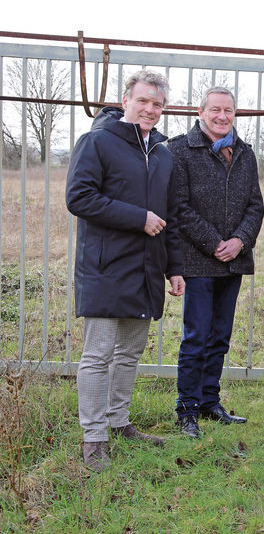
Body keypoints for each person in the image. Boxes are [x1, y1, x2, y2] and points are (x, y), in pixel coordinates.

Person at [66, 70, 184, 472]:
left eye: (157, 104)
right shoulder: (97, 142)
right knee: (98, 355)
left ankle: (118, 422)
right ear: (125, 100)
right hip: (105, 266)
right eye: (143, 101)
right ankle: (93, 438)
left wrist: (174, 269)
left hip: (147, 269)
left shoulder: (164, 154)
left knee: (130, 353)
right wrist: (138, 218)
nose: (150, 109)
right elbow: (79, 197)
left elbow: (168, 217)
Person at [168, 87, 264, 438]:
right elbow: (178, 207)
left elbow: (255, 205)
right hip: (197, 261)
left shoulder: (245, 153)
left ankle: (209, 402)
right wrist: (214, 243)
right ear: (201, 111)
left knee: (220, 337)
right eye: (215, 110)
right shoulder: (180, 150)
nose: (222, 116)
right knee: (196, 337)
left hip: (232, 263)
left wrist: (239, 241)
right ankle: (187, 409)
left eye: (228, 111)